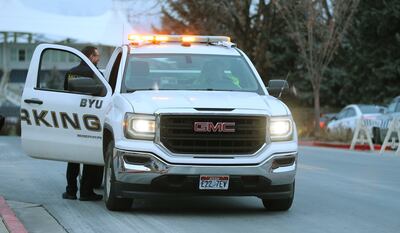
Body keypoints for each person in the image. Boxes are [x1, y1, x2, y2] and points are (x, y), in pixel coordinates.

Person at [62, 46, 103, 201]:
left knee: (73, 157)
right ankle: (86, 192)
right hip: (90, 119)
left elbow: (65, 93)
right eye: (97, 55)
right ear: (90, 56)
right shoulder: (94, 73)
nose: (98, 58)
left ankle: (71, 191)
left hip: (73, 118)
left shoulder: (71, 72)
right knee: (89, 157)